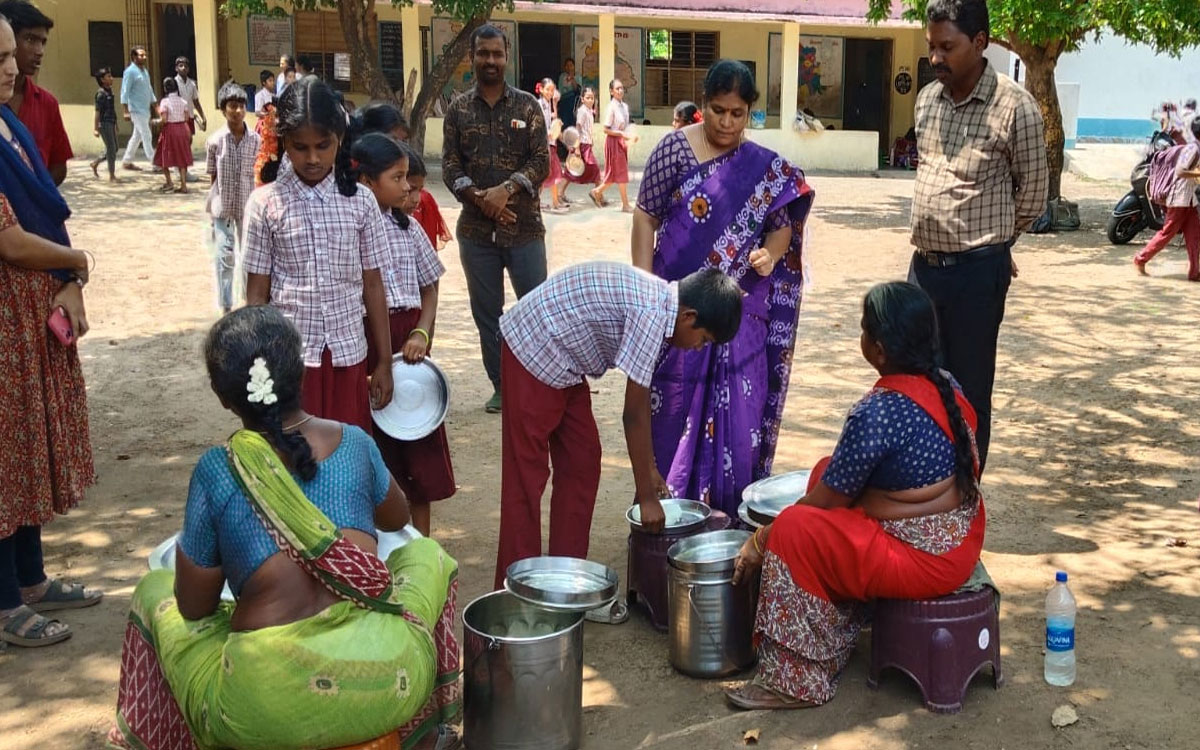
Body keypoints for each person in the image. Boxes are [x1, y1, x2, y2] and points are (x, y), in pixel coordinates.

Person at [107, 306, 461, 750]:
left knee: (154, 591)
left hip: (263, 707)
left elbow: (195, 607)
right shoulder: (355, 442)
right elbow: (397, 520)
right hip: (389, 680)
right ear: (303, 376)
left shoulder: (218, 471)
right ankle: (428, 734)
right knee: (426, 554)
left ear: (223, 396)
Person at [723, 281, 986, 710]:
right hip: (959, 537)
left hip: (924, 559)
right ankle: (841, 620)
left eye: (863, 330)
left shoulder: (877, 413)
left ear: (879, 349)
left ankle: (795, 681)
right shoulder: (946, 384)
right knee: (824, 472)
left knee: (791, 529)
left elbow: (825, 504)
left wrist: (758, 541)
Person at [631, 59, 814, 517]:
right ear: (703, 106)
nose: (727, 123)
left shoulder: (765, 169)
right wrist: (645, 287)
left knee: (739, 422)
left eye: (737, 113)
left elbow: (781, 226)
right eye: (717, 111)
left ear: (750, 112)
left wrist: (770, 254)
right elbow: (645, 217)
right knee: (669, 412)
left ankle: (729, 524)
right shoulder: (673, 152)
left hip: (739, 314)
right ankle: (667, 519)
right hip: (678, 310)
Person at [494, 262, 743, 594]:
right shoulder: (652, 315)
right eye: (703, 339)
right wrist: (645, 497)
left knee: (582, 461)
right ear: (689, 317)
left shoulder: (663, 304)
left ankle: (564, 583)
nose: (699, 347)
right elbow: (634, 413)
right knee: (526, 478)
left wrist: (651, 471)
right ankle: (514, 592)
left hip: (565, 362)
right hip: (533, 349)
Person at [908, 0, 1047, 470]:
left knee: (966, 393)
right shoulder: (927, 99)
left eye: (947, 47)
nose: (935, 58)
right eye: (931, 47)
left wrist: (995, 243)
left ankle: (963, 512)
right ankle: (923, 505)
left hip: (976, 275)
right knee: (916, 385)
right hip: (922, 270)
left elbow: (1033, 194)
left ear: (980, 43)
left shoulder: (1015, 108)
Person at [0, 14, 100, 649]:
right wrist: (75, 261)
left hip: (27, 317)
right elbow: (6, 239)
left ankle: (30, 579)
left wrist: (67, 275)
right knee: (5, 457)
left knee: (28, 446)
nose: (11, 67)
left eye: (10, 54)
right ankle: (5, 603)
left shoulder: (7, 124)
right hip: (5, 320)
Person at [244, 75, 394, 432]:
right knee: (296, 459)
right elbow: (256, 295)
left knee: (345, 457)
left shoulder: (361, 202)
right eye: (300, 147)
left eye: (323, 146)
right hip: (290, 359)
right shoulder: (265, 204)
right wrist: (257, 366)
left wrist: (385, 361)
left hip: (348, 355)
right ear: (283, 142)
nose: (312, 158)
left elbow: (373, 285)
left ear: (339, 140)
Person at [352, 133, 456, 537]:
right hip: (367, 339)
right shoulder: (353, 226)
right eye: (400, 181)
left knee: (419, 457)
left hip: (408, 343)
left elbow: (430, 287)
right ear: (367, 181)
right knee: (380, 454)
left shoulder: (409, 229)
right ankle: (381, 549)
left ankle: (420, 547)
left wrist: (421, 333)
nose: (409, 192)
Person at [442, 24, 549, 414]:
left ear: (507, 57)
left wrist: (507, 190)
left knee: (536, 310)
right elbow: (451, 165)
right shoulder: (457, 109)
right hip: (476, 232)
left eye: (497, 53)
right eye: (483, 53)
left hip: (524, 230)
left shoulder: (527, 106)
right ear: (472, 57)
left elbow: (542, 160)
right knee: (489, 315)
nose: (490, 60)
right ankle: (502, 386)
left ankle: (541, 384)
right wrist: (479, 199)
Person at [0, 0, 70, 185]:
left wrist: (34, 195)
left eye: (43, 42)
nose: (39, 51)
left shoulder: (47, 104)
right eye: (30, 39)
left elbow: (58, 166)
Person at [205, 81, 261, 314]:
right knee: (224, 255)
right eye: (232, 106)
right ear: (223, 110)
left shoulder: (256, 140)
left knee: (249, 255)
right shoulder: (216, 141)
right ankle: (226, 306)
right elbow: (213, 176)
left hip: (248, 206)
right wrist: (214, 207)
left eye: (241, 106)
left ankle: (249, 302)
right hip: (224, 206)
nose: (237, 111)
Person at [1134, 117, 1200, 281]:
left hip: (1189, 199)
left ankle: (1194, 272)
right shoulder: (1194, 149)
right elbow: (1180, 170)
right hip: (1179, 198)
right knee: (1167, 233)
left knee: (1194, 234)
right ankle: (1140, 259)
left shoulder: (1195, 147)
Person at [590, 78, 637, 212]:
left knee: (614, 174)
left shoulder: (624, 106)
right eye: (617, 88)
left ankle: (596, 191)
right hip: (613, 142)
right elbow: (606, 129)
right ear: (611, 91)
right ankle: (626, 205)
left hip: (621, 142)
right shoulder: (611, 107)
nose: (620, 91)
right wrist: (621, 135)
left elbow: (625, 126)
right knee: (620, 173)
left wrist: (631, 136)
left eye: (621, 88)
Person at [152, 77, 193, 193]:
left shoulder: (165, 102)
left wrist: (155, 122)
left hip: (169, 130)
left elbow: (164, 119)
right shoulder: (183, 101)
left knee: (163, 156)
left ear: (165, 88)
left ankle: (169, 182)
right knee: (182, 157)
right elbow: (186, 118)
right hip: (182, 129)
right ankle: (183, 185)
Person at [121, 45, 157, 171]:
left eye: (144, 55)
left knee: (137, 136)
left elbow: (149, 89)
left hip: (145, 109)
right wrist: (125, 110)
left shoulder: (144, 71)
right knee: (147, 135)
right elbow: (125, 91)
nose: (144, 57)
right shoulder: (130, 72)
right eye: (141, 55)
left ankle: (127, 160)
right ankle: (155, 162)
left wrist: (155, 105)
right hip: (136, 110)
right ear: (134, 57)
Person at [408, 151, 453, 250]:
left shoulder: (425, 202)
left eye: (420, 189)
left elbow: (429, 246)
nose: (417, 199)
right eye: (410, 189)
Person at [537, 78, 568, 214]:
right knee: (553, 172)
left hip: (550, 143)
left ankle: (537, 202)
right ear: (541, 89)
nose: (550, 92)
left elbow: (553, 119)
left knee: (547, 174)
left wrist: (554, 103)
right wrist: (549, 132)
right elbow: (538, 125)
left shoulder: (548, 104)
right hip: (544, 144)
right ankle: (554, 203)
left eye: (552, 89)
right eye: (548, 89)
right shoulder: (539, 105)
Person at [561, 86, 601, 190]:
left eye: (592, 98)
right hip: (581, 144)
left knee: (573, 170)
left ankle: (561, 192)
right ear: (582, 99)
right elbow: (578, 128)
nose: (591, 100)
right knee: (594, 168)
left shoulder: (589, 111)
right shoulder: (582, 111)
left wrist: (591, 140)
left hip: (587, 144)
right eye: (588, 97)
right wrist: (577, 147)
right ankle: (598, 194)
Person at [89, 66, 118, 182]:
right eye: (109, 76)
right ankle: (112, 174)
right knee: (111, 148)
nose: (112, 78)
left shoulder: (110, 91)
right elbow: (97, 112)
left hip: (111, 122)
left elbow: (112, 109)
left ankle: (96, 162)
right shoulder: (101, 94)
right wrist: (96, 128)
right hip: (104, 123)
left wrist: (116, 124)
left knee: (114, 148)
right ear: (102, 80)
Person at [173, 55, 207, 136]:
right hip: (178, 118)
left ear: (188, 69)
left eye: (185, 66)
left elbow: (196, 101)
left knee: (189, 140)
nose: (183, 68)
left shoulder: (192, 84)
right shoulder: (174, 83)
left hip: (190, 117)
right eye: (181, 66)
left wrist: (203, 116)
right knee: (180, 142)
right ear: (176, 68)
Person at [557, 57, 579, 129]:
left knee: (572, 121)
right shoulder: (562, 76)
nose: (569, 67)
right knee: (564, 122)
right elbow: (562, 88)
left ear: (574, 66)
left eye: (571, 65)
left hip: (573, 103)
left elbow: (576, 89)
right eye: (567, 65)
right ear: (565, 67)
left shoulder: (578, 77)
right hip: (564, 102)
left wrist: (572, 78)